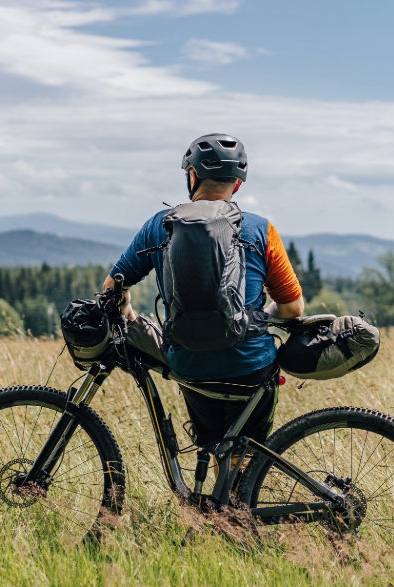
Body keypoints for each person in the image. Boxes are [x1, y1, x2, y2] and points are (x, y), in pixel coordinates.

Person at [103, 133, 303, 447]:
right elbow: (293, 309)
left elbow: (113, 287)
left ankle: (220, 493)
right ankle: (240, 493)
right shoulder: (260, 229)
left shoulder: (160, 225)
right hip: (250, 363)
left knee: (212, 449)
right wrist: (257, 319)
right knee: (246, 455)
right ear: (237, 184)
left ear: (192, 176)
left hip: (190, 363)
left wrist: (130, 318)